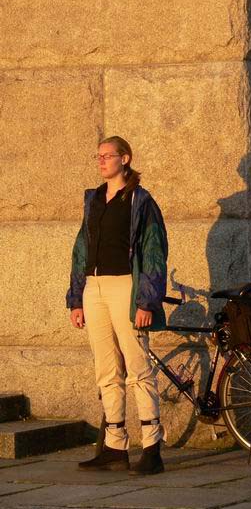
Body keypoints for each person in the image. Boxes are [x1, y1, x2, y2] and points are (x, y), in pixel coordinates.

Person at [66, 136, 169, 475]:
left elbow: (154, 253)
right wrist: (76, 298)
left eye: (107, 156)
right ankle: (114, 445)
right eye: (98, 156)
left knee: (139, 368)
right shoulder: (94, 199)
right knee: (107, 370)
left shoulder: (140, 201)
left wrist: (147, 301)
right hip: (94, 288)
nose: (101, 161)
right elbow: (82, 250)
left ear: (125, 159)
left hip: (126, 287)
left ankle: (152, 446)